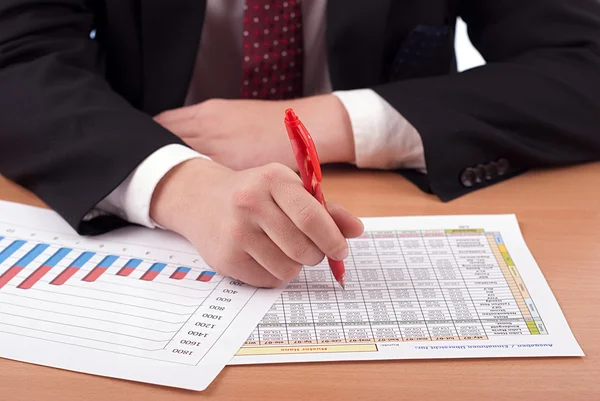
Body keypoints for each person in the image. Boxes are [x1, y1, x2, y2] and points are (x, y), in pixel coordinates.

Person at [1, 1, 600, 288]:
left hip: (380, 198)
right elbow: (15, 59)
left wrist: (334, 122)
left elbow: (586, 63)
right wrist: (185, 186)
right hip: (138, 203)